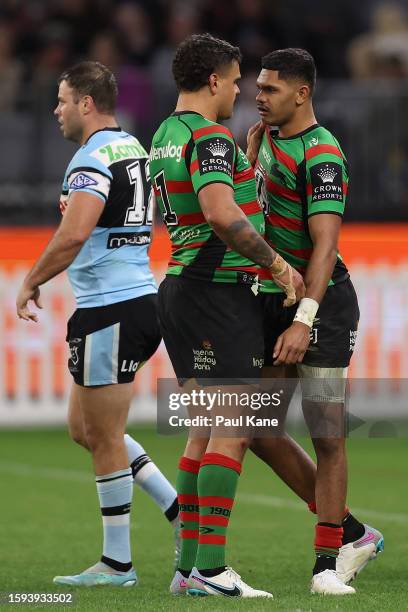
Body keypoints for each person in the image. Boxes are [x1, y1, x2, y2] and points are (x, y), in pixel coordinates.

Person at [149, 33, 305, 599]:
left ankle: (189, 568)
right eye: (236, 80)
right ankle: (211, 570)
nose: (240, 90)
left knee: (203, 430)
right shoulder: (209, 135)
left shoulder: (168, 132)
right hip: (215, 291)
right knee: (234, 429)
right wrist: (279, 265)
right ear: (213, 80)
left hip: (182, 289)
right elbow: (220, 213)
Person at [16, 61, 180, 587]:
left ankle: (118, 564)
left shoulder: (89, 159)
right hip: (129, 298)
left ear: (87, 103)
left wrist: (32, 279)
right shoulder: (131, 146)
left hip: (111, 306)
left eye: (63, 100)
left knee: (104, 436)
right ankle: (180, 512)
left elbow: (72, 235)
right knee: (85, 430)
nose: (56, 110)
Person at [246, 48, 384, 595]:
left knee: (327, 433)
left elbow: (325, 248)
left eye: (270, 89)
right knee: (256, 429)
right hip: (276, 297)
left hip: (321, 303)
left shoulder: (322, 154)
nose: (258, 96)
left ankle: (326, 564)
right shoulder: (263, 140)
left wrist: (305, 320)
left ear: (302, 94)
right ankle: (351, 530)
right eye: (256, 86)